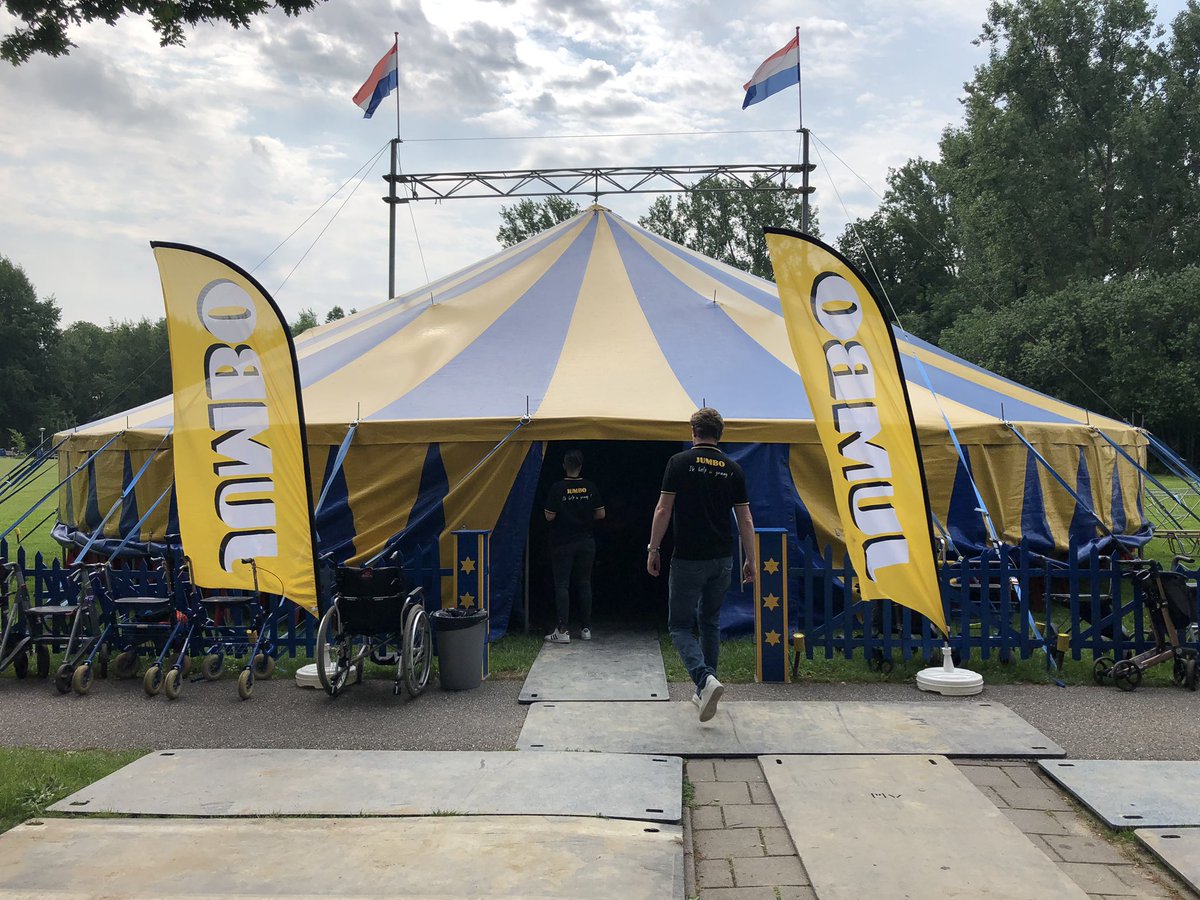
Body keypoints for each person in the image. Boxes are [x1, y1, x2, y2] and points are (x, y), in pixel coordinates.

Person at [647, 408, 755, 721]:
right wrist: (751, 558)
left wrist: (654, 548)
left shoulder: (678, 463)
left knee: (679, 625)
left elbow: (663, 510)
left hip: (688, 557)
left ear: (693, 431)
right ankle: (705, 690)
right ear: (720, 434)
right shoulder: (733, 468)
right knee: (710, 621)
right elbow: (745, 518)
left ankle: (704, 679)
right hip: (722, 559)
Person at [543, 448, 605, 643]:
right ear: (580, 466)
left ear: (564, 465)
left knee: (562, 585)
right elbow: (601, 514)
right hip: (586, 542)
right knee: (584, 583)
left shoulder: (557, 488)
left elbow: (549, 516)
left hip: (562, 543)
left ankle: (563, 630)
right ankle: (586, 628)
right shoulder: (590, 487)